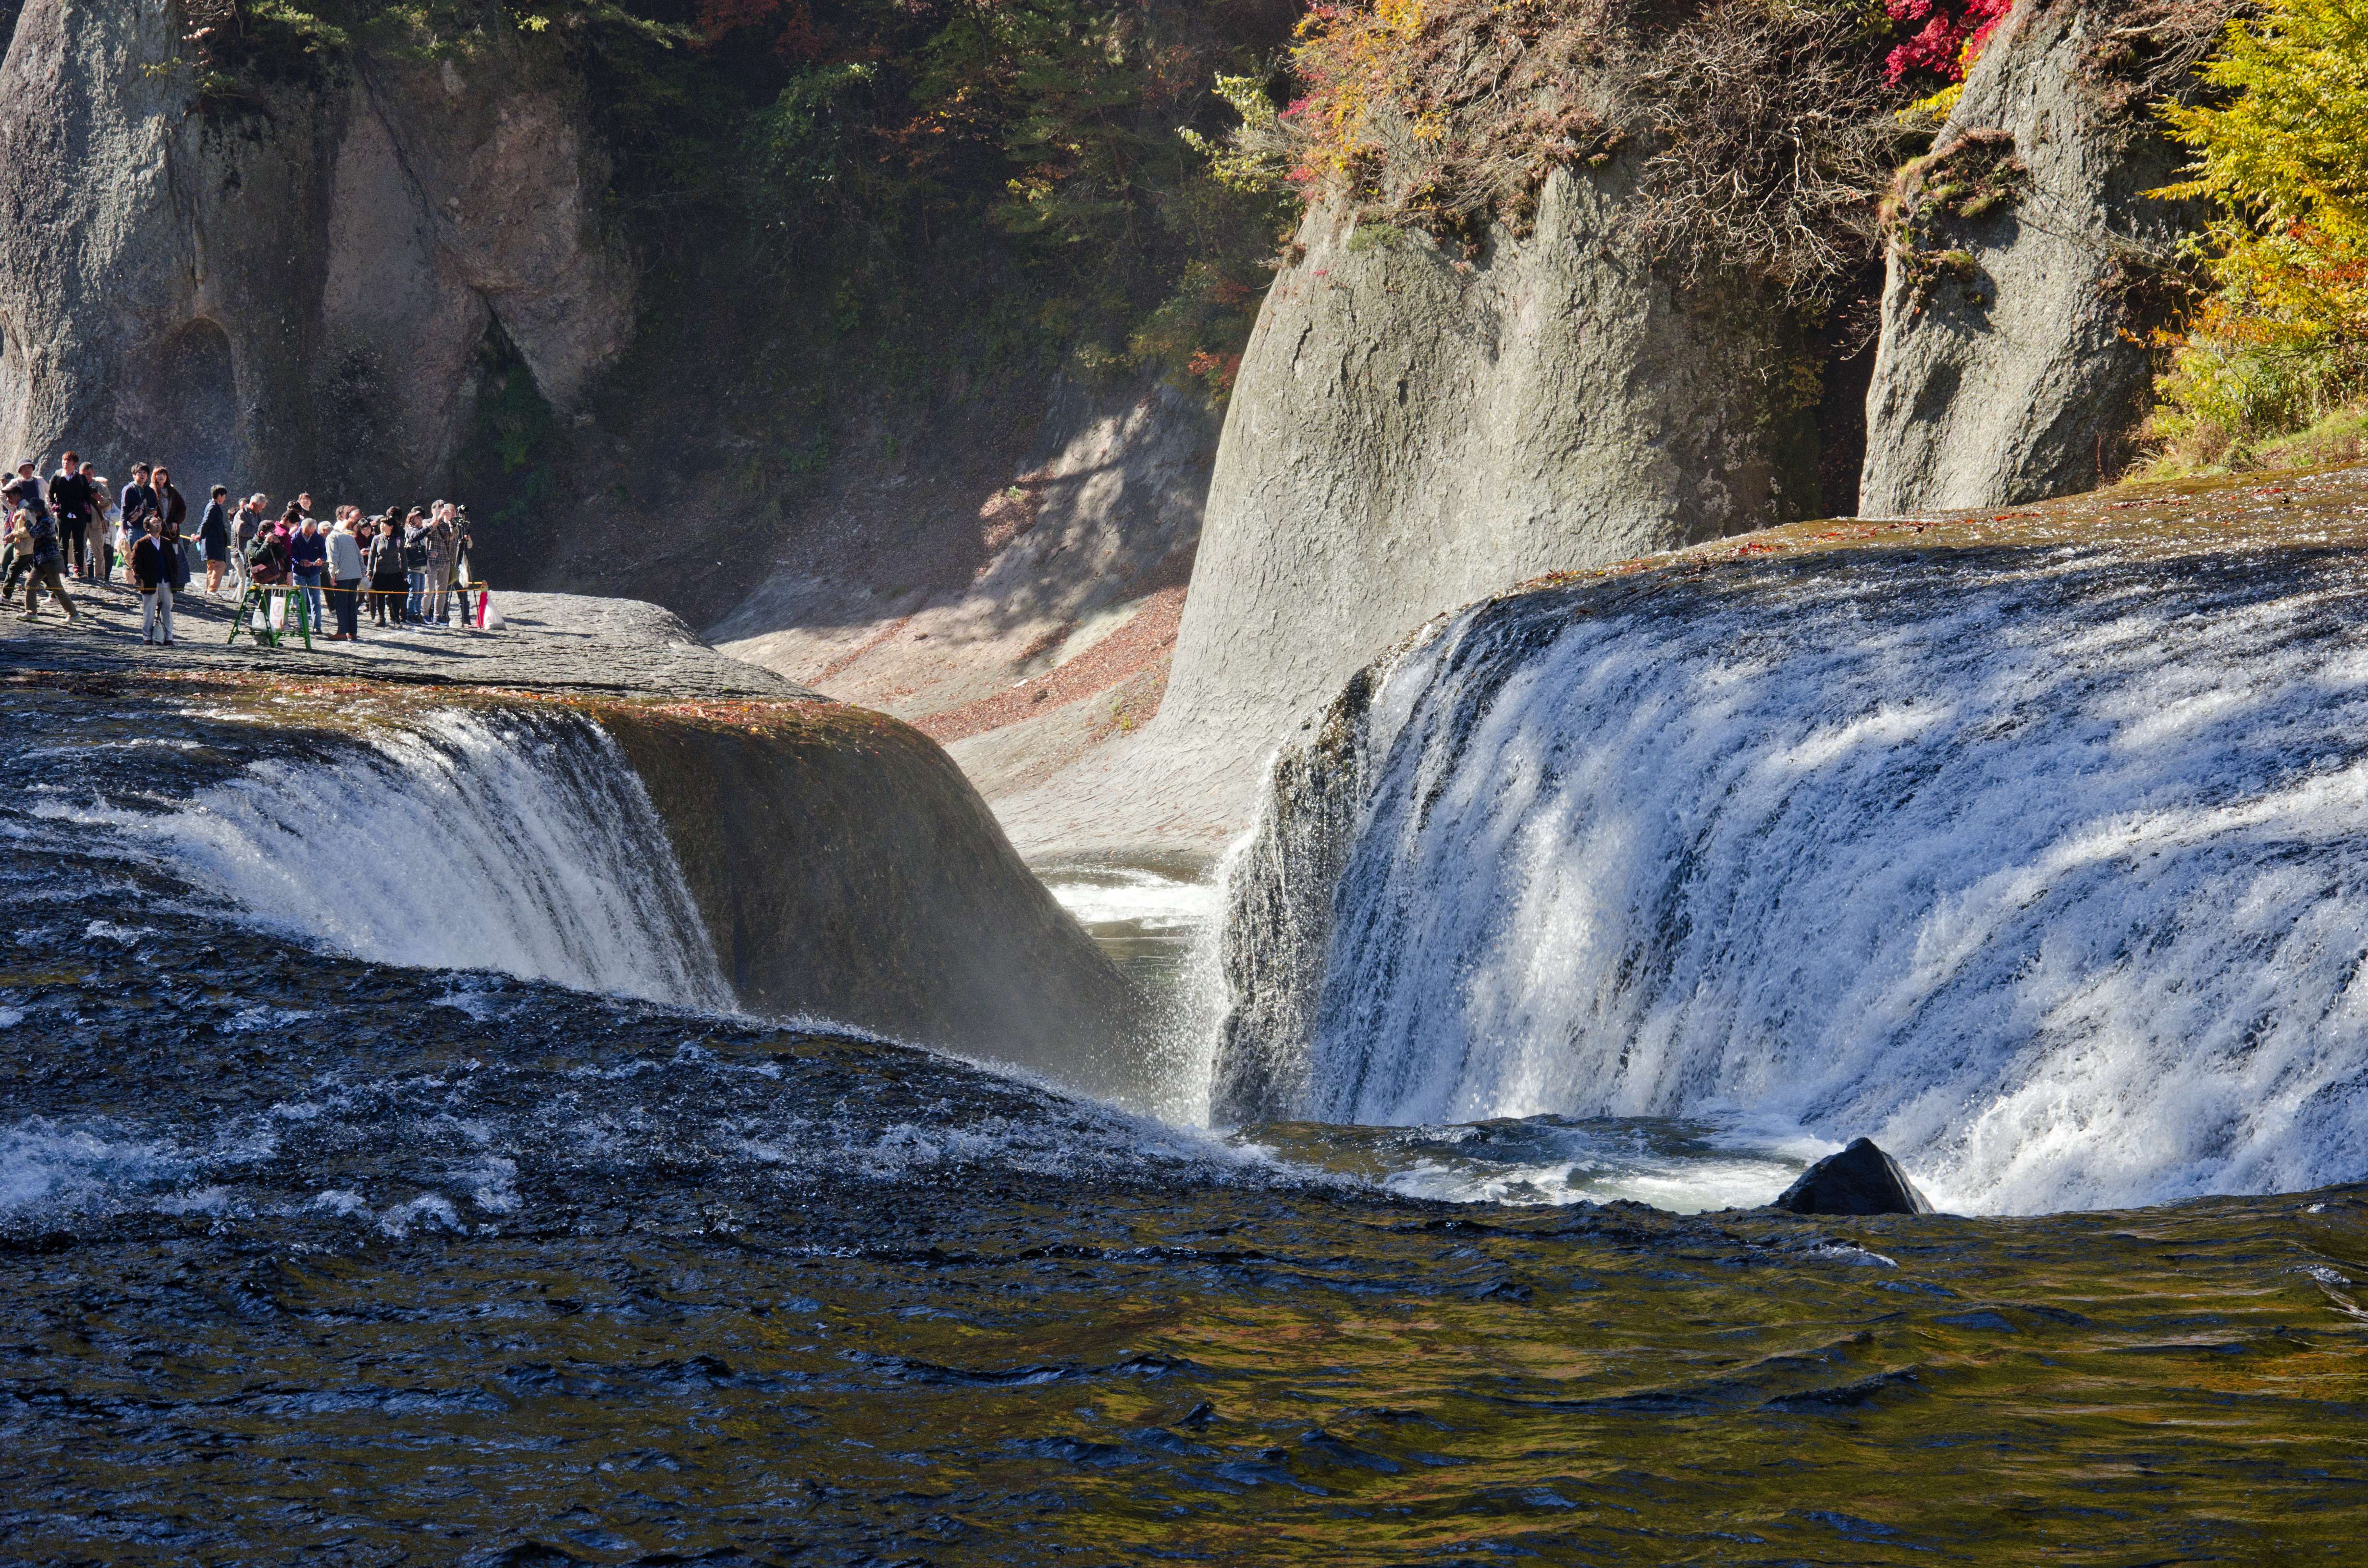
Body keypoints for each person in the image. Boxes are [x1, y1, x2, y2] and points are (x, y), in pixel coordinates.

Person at [10, 469, 78, 624]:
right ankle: (31, 612)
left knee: (57, 589)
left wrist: (27, 522)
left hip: (50, 561)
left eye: (32, 511)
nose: (31, 513)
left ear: (38, 511)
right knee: (31, 584)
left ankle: (73, 613)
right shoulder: (44, 520)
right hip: (43, 561)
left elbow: (34, 534)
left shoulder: (46, 522)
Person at [48, 453, 96, 581]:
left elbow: (87, 497)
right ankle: (63, 570)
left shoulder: (81, 478)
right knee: (63, 544)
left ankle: (79, 570)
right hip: (63, 515)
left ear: (74, 464)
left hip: (78, 515)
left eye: (68, 462)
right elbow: (51, 494)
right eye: (64, 461)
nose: (65, 464)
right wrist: (55, 509)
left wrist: (86, 515)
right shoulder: (57, 477)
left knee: (79, 544)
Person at [129, 513, 172, 645]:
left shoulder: (166, 542)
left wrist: (174, 577)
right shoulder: (141, 544)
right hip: (150, 582)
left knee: (167, 609)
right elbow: (135, 563)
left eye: (159, 523)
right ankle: (147, 637)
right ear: (148, 527)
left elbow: (173, 562)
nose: (159, 525)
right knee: (149, 610)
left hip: (166, 580)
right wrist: (144, 577)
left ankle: (168, 637)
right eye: (155, 523)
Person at [326, 508, 363, 640]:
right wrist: (362, 572)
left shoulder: (331, 537)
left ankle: (342, 631)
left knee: (341, 604)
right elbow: (360, 556)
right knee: (351, 604)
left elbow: (333, 558)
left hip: (343, 575)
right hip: (355, 575)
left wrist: (332, 575)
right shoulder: (349, 537)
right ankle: (353, 632)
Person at [288, 508, 328, 628]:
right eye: (307, 532)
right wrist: (301, 562)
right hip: (299, 573)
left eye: (312, 532)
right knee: (301, 602)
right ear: (302, 529)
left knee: (316, 601)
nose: (310, 534)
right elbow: (291, 556)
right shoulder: (295, 538)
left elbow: (324, 553)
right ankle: (303, 627)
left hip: (314, 573)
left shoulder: (319, 538)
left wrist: (321, 560)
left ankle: (317, 627)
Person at [365, 511, 405, 626]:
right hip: (380, 572)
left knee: (394, 597)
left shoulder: (398, 540)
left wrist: (405, 574)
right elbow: (372, 556)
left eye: (384, 525)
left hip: (394, 572)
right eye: (381, 525)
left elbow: (404, 557)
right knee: (380, 597)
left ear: (391, 527)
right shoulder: (377, 539)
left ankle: (396, 619)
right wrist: (370, 571)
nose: (382, 526)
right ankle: (381, 618)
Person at [199, 485, 232, 595]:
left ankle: (209, 589)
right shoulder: (213, 507)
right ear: (219, 496)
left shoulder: (210, 506)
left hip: (210, 544)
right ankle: (212, 590)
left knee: (212, 567)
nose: (225, 499)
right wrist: (201, 535)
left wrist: (200, 535)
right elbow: (206, 522)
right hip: (213, 544)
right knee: (220, 566)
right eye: (224, 496)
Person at [118, 465, 157, 558]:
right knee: (133, 553)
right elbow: (124, 508)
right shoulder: (128, 489)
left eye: (145, 473)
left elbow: (154, 506)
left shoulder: (150, 491)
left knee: (146, 553)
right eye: (139, 473)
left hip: (147, 526)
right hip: (132, 526)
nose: (142, 475)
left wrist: (154, 512)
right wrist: (124, 527)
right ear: (134, 475)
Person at [400, 508, 430, 624]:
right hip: (413, 565)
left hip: (422, 565)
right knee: (414, 591)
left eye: (422, 517)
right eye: (418, 518)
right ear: (411, 520)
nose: (421, 519)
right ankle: (410, 614)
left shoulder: (420, 530)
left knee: (420, 591)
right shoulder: (410, 530)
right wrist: (429, 527)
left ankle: (417, 613)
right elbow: (414, 538)